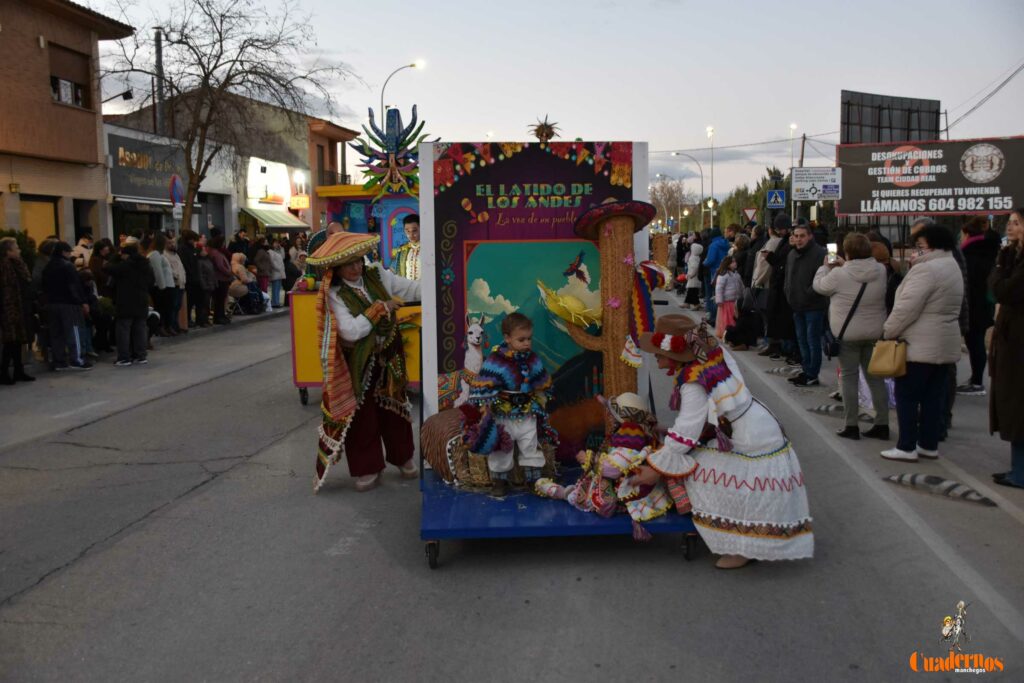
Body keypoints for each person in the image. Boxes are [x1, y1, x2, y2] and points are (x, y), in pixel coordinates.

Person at [635, 315, 814, 569]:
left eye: (658, 354)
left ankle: (741, 545)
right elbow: (703, 420)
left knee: (698, 475)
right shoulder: (709, 358)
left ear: (673, 353)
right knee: (692, 459)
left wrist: (654, 470)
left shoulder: (693, 382)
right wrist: (666, 431)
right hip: (757, 429)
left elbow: (687, 431)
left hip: (752, 442)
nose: (656, 360)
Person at [308, 232, 421, 493]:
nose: (356, 267)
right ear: (336, 268)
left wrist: (439, 277)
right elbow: (351, 332)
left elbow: (410, 288)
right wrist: (379, 308)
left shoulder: (377, 275)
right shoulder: (335, 294)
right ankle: (368, 467)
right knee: (362, 416)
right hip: (359, 364)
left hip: (390, 356)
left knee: (395, 408)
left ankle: (404, 458)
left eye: (358, 260)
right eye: (349, 264)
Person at [880, 225, 964, 462]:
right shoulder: (951, 265)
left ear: (932, 245)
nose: (916, 252)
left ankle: (906, 446)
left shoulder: (926, 270)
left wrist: (888, 331)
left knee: (906, 395)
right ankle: (928, 444)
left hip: (919, 345)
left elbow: (906, 309)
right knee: (932, 398)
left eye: (920, 246)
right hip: (944, 343)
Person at [468, 312, 554, 498]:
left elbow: (541, 379)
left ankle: (534, 479)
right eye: (521, 339)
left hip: (526, 411)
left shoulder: (532, 358)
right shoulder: (496, 360)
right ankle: (499, 481)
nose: (526, 343)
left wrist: (542, 393)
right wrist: (484, 405)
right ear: (507, 338)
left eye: (529, 339)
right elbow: (484, 383)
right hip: (503, 412)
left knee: (530, 442)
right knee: (502, 446)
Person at [812, 233, 889, 440]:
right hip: (874, 332)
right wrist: (845, 264)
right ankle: (882, 423)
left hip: (847, 335)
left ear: (847, 252)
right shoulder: (881, 271)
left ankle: (851, 425)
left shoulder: (838, 275)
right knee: (875, 378)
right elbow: (859, 273)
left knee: (849, 378)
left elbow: (819, 286)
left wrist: (825, 267)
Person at [988, 207, 1024, 488]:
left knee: (1017, 403)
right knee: (1011, 404)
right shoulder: (1013, 254)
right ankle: (1016, 468)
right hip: (1011, 336)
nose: (1010, 227)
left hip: (1018, 340)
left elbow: (1003, 290)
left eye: (1016, 223)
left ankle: (1021, 472)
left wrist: (1000, 267)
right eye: (1009, 223)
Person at [957, 216, 1000, 396]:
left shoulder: (969, 255)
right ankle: (976, 380)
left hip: (973, 305)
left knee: (975, 342)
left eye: (961, 235)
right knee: (977, 341)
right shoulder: (986, 252)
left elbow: (968, 283)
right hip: (983, 305)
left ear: (967, 234)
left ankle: (976, 382)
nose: (960, 239)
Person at [784, 223, 827, 386]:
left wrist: (809, 292)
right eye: (796, 236)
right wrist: (787, 291)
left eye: (802, 236)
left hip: (813, 305)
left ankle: (812, 373)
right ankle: (806, 369)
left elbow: (827, 276)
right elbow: (788, 276)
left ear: (810, 236)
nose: (799, 239)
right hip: (796, 304)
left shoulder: (820, 253)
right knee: (801, 340)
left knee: (812, 340)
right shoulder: (792, 254)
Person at [41, 241, 92, 370]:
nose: (70, 254)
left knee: (57, 333)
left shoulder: (48, 266)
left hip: (51, 303)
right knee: (74, 331)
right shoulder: (68, 266)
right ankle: (77, 359)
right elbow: (74, 286)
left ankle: (59, 361)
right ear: (64, 252)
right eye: (69, 252)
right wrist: (82, 302)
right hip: (68, 303)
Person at [105, 237, 154, 366]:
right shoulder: (145, 264)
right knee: (140, 328)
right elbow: (151, 281)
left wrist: (116, 257)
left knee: (123, 329)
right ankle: (141, 355)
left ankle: (124, 357)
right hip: (142, 300)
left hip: (125, 301)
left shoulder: (125, 266)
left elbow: (107, 268)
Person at [761, 214, 797, 363]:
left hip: (785, 287)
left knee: (787, 322)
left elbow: (782, 263)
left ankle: (790, 351)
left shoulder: (789, 244)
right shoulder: (784, 242)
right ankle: (784, 349)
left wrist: (770, 257)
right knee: (780, 319)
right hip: (780, 285)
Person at [0, 237, 35, 383]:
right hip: (9, 307)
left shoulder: (18, 264)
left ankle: (18, 371)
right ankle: (4, 373)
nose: (19, 250)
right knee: (10, 341)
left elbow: (26, 282)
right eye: (16, 248)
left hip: (21, 306)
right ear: (8, 251)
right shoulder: (3, 266)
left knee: (19, 340)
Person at [144, 233, 175, 337]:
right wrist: (162, 286)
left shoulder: (160, 254)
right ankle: (160, 327)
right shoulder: (155, 255)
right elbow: (158, 271)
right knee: (162, 308)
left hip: (168, 284)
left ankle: (167, 326)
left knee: (168, 308)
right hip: (161, 286)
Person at [702, 227, 730, 323]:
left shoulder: (713, 245)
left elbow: (710, 260)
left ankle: (713, 317)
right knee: (723, 295)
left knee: (714, 295)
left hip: (715, 272)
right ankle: (721, 317)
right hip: (726, 271)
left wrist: (704, 262)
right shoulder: (727, 244)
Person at [714, 255, 742, 338]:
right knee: (726, 319)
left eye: (735, 261)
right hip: (726, 302)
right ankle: (726, 333)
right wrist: (719, 300)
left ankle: (732, 333)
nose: (735, 263)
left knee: (733, 318)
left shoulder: (736, 274)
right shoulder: (723, 275)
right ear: (727, 264)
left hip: (735, 301)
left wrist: (743, 295)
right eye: (733, 262)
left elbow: (741, 286)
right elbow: (719, 288)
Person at [178, 231, 202, 329]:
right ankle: (187, 319)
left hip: (194, 278)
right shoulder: (183, 249)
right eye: (193, 240)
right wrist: (191, 274)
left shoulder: (192, 249)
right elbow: (186, 264)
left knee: (193, 301)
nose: (194, 242)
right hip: (189, 279)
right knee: (189, 301)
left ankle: (192, 319)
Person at [207, 235, 233, 324]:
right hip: (220, 279)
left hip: (222, 278)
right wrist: (229, 272)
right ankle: (218, 317)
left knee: (221, 299)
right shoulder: (216, 253)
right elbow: (221, 266)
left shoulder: (216, 252)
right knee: (219, 299)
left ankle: (221, 315)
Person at [164, 236, 187, 334]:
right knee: (172, 306)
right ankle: (170, 326)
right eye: (170, 243)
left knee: (178, 306)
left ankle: (176, 325)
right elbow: (169, 269)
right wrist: (176, 276)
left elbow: (181, 267)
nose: (173, 245)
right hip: (174, 284)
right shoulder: (165, 255)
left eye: (173, 243)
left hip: (181, 283)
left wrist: (183, 277)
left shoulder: (176, 255)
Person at [392, 214, 422, 281]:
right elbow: (395, 271)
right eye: (407, 231)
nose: (411, 235)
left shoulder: (430, 249)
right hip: (408, 290)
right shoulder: (402, 250)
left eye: (414, 230)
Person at [195, 243, 216, 327]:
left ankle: (206, 319)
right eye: (203, 250)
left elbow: (212, 272)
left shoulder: (208, 260)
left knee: (207, 304)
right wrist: (204, 285)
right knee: (203, 304)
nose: (205, 251)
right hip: (205, 285)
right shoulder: (199, 262)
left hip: (210, 284)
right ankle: (202, 320)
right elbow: (200, 275)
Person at [683, 242, 703, 310]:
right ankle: (687, 303)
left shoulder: (693, 257)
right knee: (692, 290)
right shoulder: (697, 257)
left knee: (692, 291)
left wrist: (691, 275)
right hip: (694, 276)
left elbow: (695, 267)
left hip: (693, 276)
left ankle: (696, 304)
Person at [268, 238, 286, 307]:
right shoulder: (270, 252)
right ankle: (275, 302)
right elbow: (272, 262)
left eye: (277, 243)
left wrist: (281, 248)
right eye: (275, 243)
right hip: (275, 272)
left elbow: (283, 257)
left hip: (279, 272)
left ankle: (277, 302)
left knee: (278, 288)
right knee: (275, 288)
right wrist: (278, 268)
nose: (276, 244)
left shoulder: (278, 251)